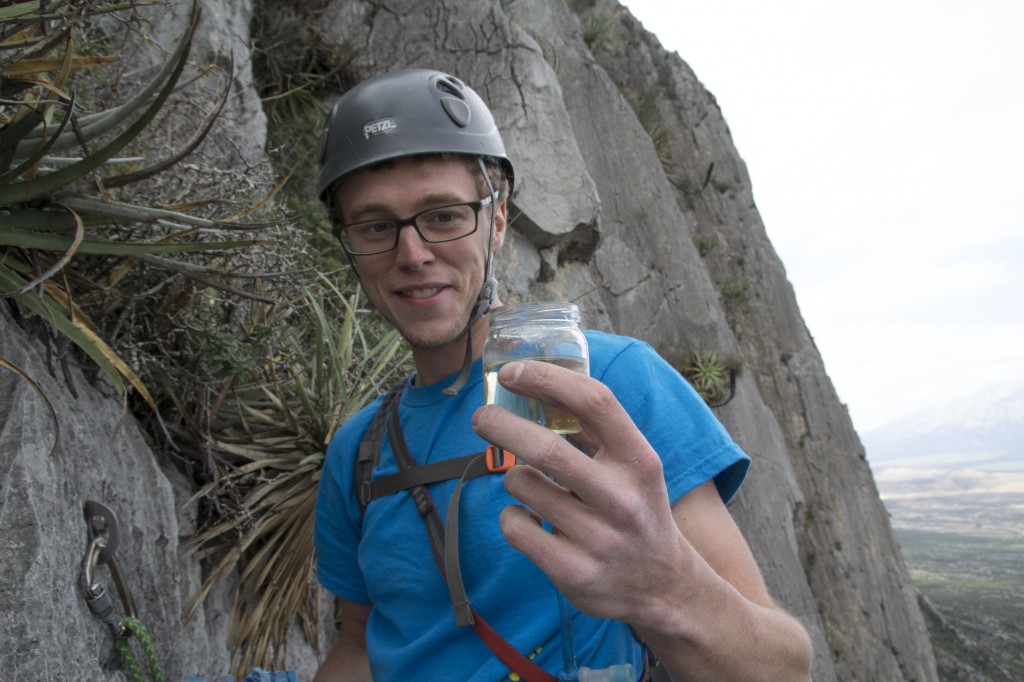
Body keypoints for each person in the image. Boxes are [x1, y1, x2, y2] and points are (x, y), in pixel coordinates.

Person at [312, 68, 813, 681]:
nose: (412, 253)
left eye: (443, 216)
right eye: (375, 226)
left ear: (496, 223)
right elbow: (359, 645)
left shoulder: (613, 383)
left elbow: (782, 670)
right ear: (349, 244)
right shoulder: (355, 453)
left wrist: (668, 593)